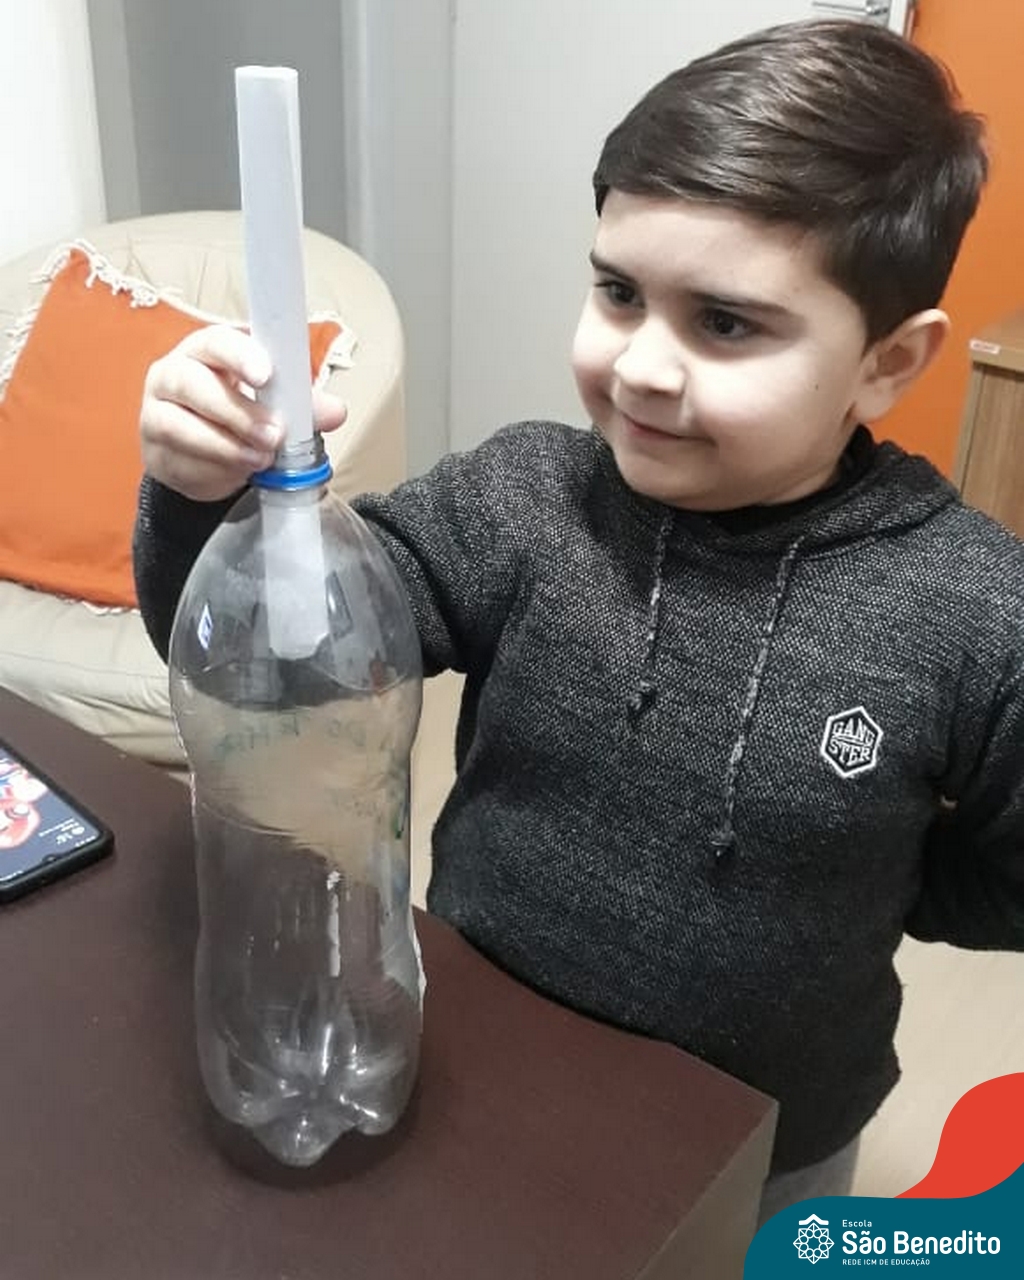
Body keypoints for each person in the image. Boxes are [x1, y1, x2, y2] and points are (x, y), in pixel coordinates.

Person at [133, 19, 1024, 1221]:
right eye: (617, 292)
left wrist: (884, 868)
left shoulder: (973, 609)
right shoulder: (518, 500)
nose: (641, 365)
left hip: (766, 1140)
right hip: (478, 1058)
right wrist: (204, 498)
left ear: (887, 361)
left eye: (724, 322)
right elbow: (278, 666)